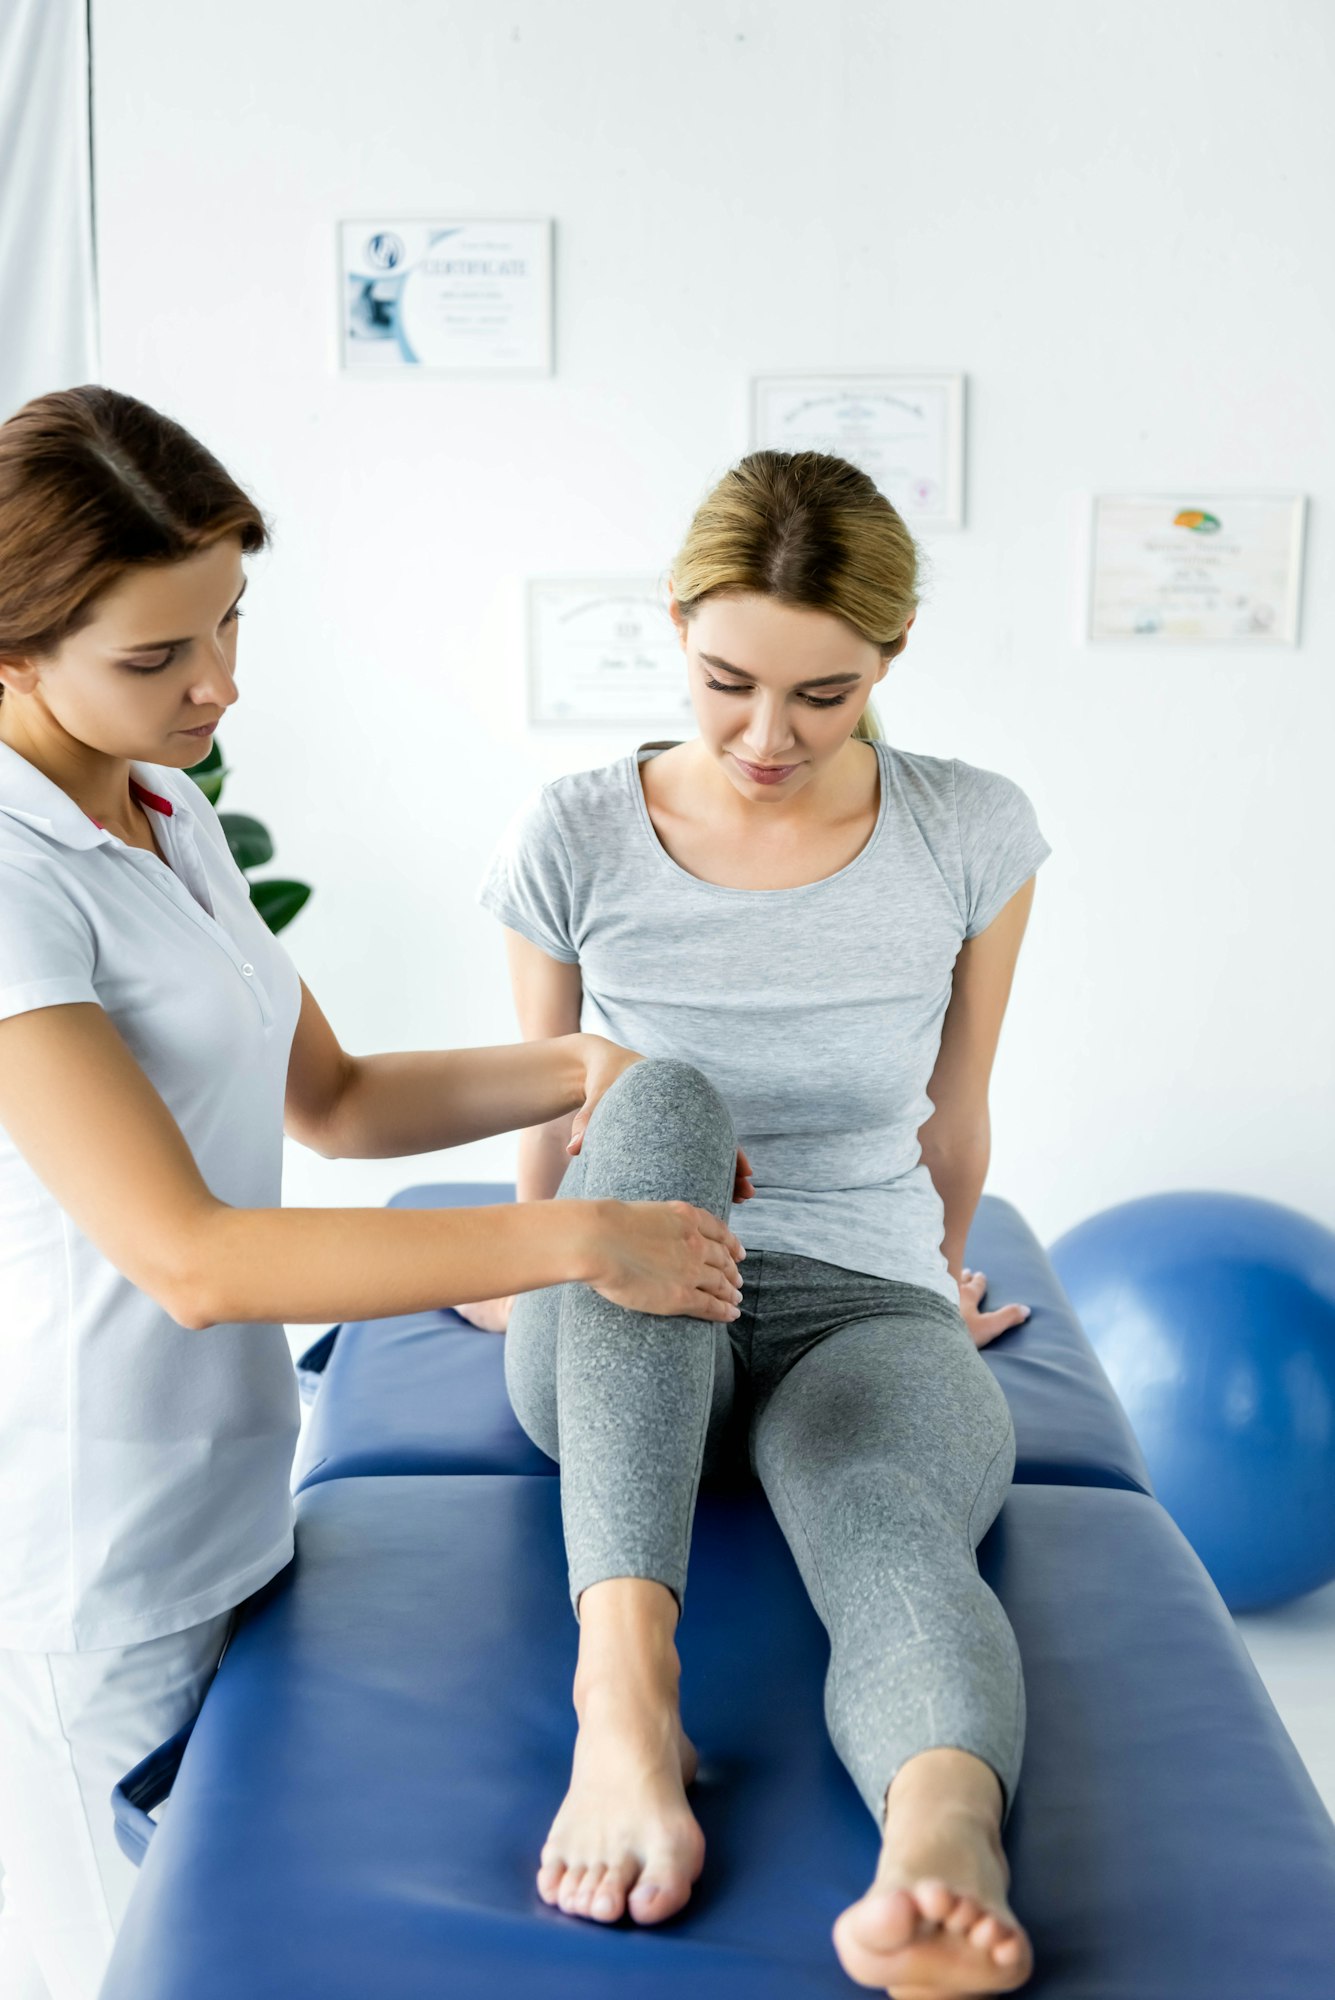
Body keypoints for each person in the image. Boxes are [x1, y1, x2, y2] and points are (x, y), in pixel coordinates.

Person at [0, 385, 745, 2000]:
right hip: (89, 1558)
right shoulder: (7, 879)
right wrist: (577, 1239)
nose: (216, 686)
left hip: (230, 1497)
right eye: (156, 658)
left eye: (228, 626)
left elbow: (333, 1103)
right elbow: (187, 1257)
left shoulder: (163, 805)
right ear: (11, 654)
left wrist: (577, 1073)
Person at [469, 450, 1050, 1995]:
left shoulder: (972, 831)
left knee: (885, 1514)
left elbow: (956, 1105)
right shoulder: (579, 827)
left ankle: (940, 1847)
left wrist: (934, 1281)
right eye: (729, 683)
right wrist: (521, 1276)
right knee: (657, 1097)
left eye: (824, 695)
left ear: (891, 661)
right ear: (673, 629)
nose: (766, 736)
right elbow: (547, 1103)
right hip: (625, 1305)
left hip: (856, 1301)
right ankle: (627, 1702)